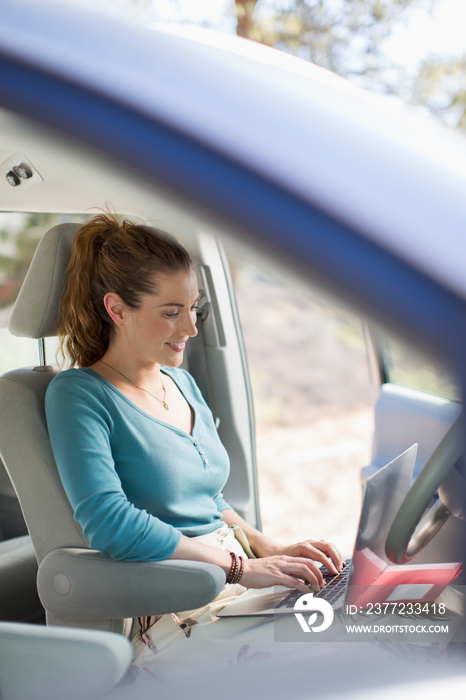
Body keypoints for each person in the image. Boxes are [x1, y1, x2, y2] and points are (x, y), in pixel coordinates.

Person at [45, 211, 343, 677]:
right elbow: (110, 523)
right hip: (177, 599)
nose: (191, 329)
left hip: (235, 581)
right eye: (171, 313)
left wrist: (271, 547)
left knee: (373, 619)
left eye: (193, 309)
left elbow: (208, 498)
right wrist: (238, 568)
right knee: (338, 660)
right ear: (117, 309)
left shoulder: (182, 383)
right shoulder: (78, 394)